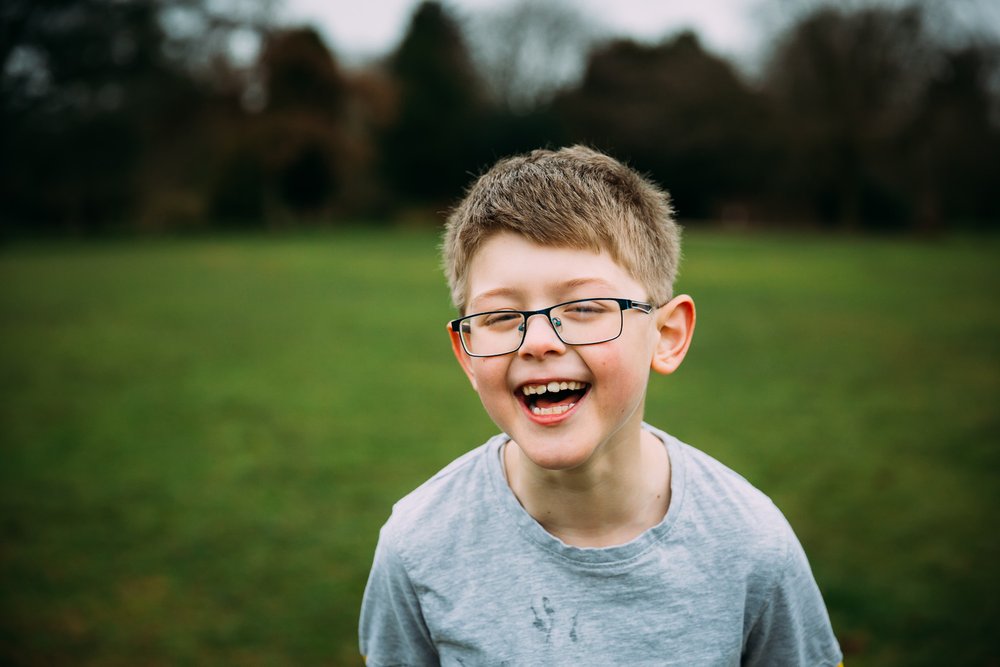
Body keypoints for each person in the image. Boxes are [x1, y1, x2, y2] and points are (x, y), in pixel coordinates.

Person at [359, 146, 843, 666]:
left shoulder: (752, 546)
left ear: (667, 335)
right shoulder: (418, 547)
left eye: (585, 307)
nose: (538, 342)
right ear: (468, 355)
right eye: (500, 316)